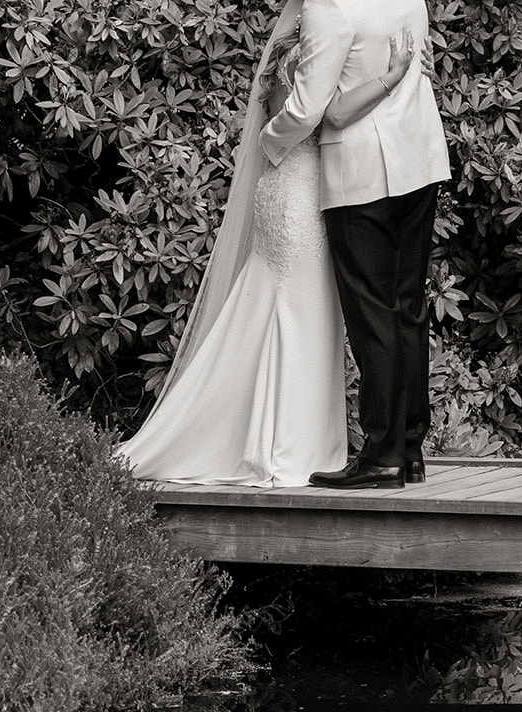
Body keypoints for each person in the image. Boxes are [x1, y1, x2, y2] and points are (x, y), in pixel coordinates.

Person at [114, 1, 418, 487]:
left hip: (316, 183)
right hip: (309, 188)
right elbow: (314, 113)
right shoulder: (316, 33)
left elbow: (306, 107)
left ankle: (304, 443)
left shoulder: (314, 29)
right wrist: (277, 138)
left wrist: (278, 138)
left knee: (312, 311)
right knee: (310, 309)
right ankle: (291, 446)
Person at [260, 0, 451, 489]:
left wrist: (267, 141)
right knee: (408, 306)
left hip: (361, 173)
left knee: (373, 313)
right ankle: (409, 448)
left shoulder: (329, 6)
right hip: (420, 159)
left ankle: (383, 454)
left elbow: (310, 109)